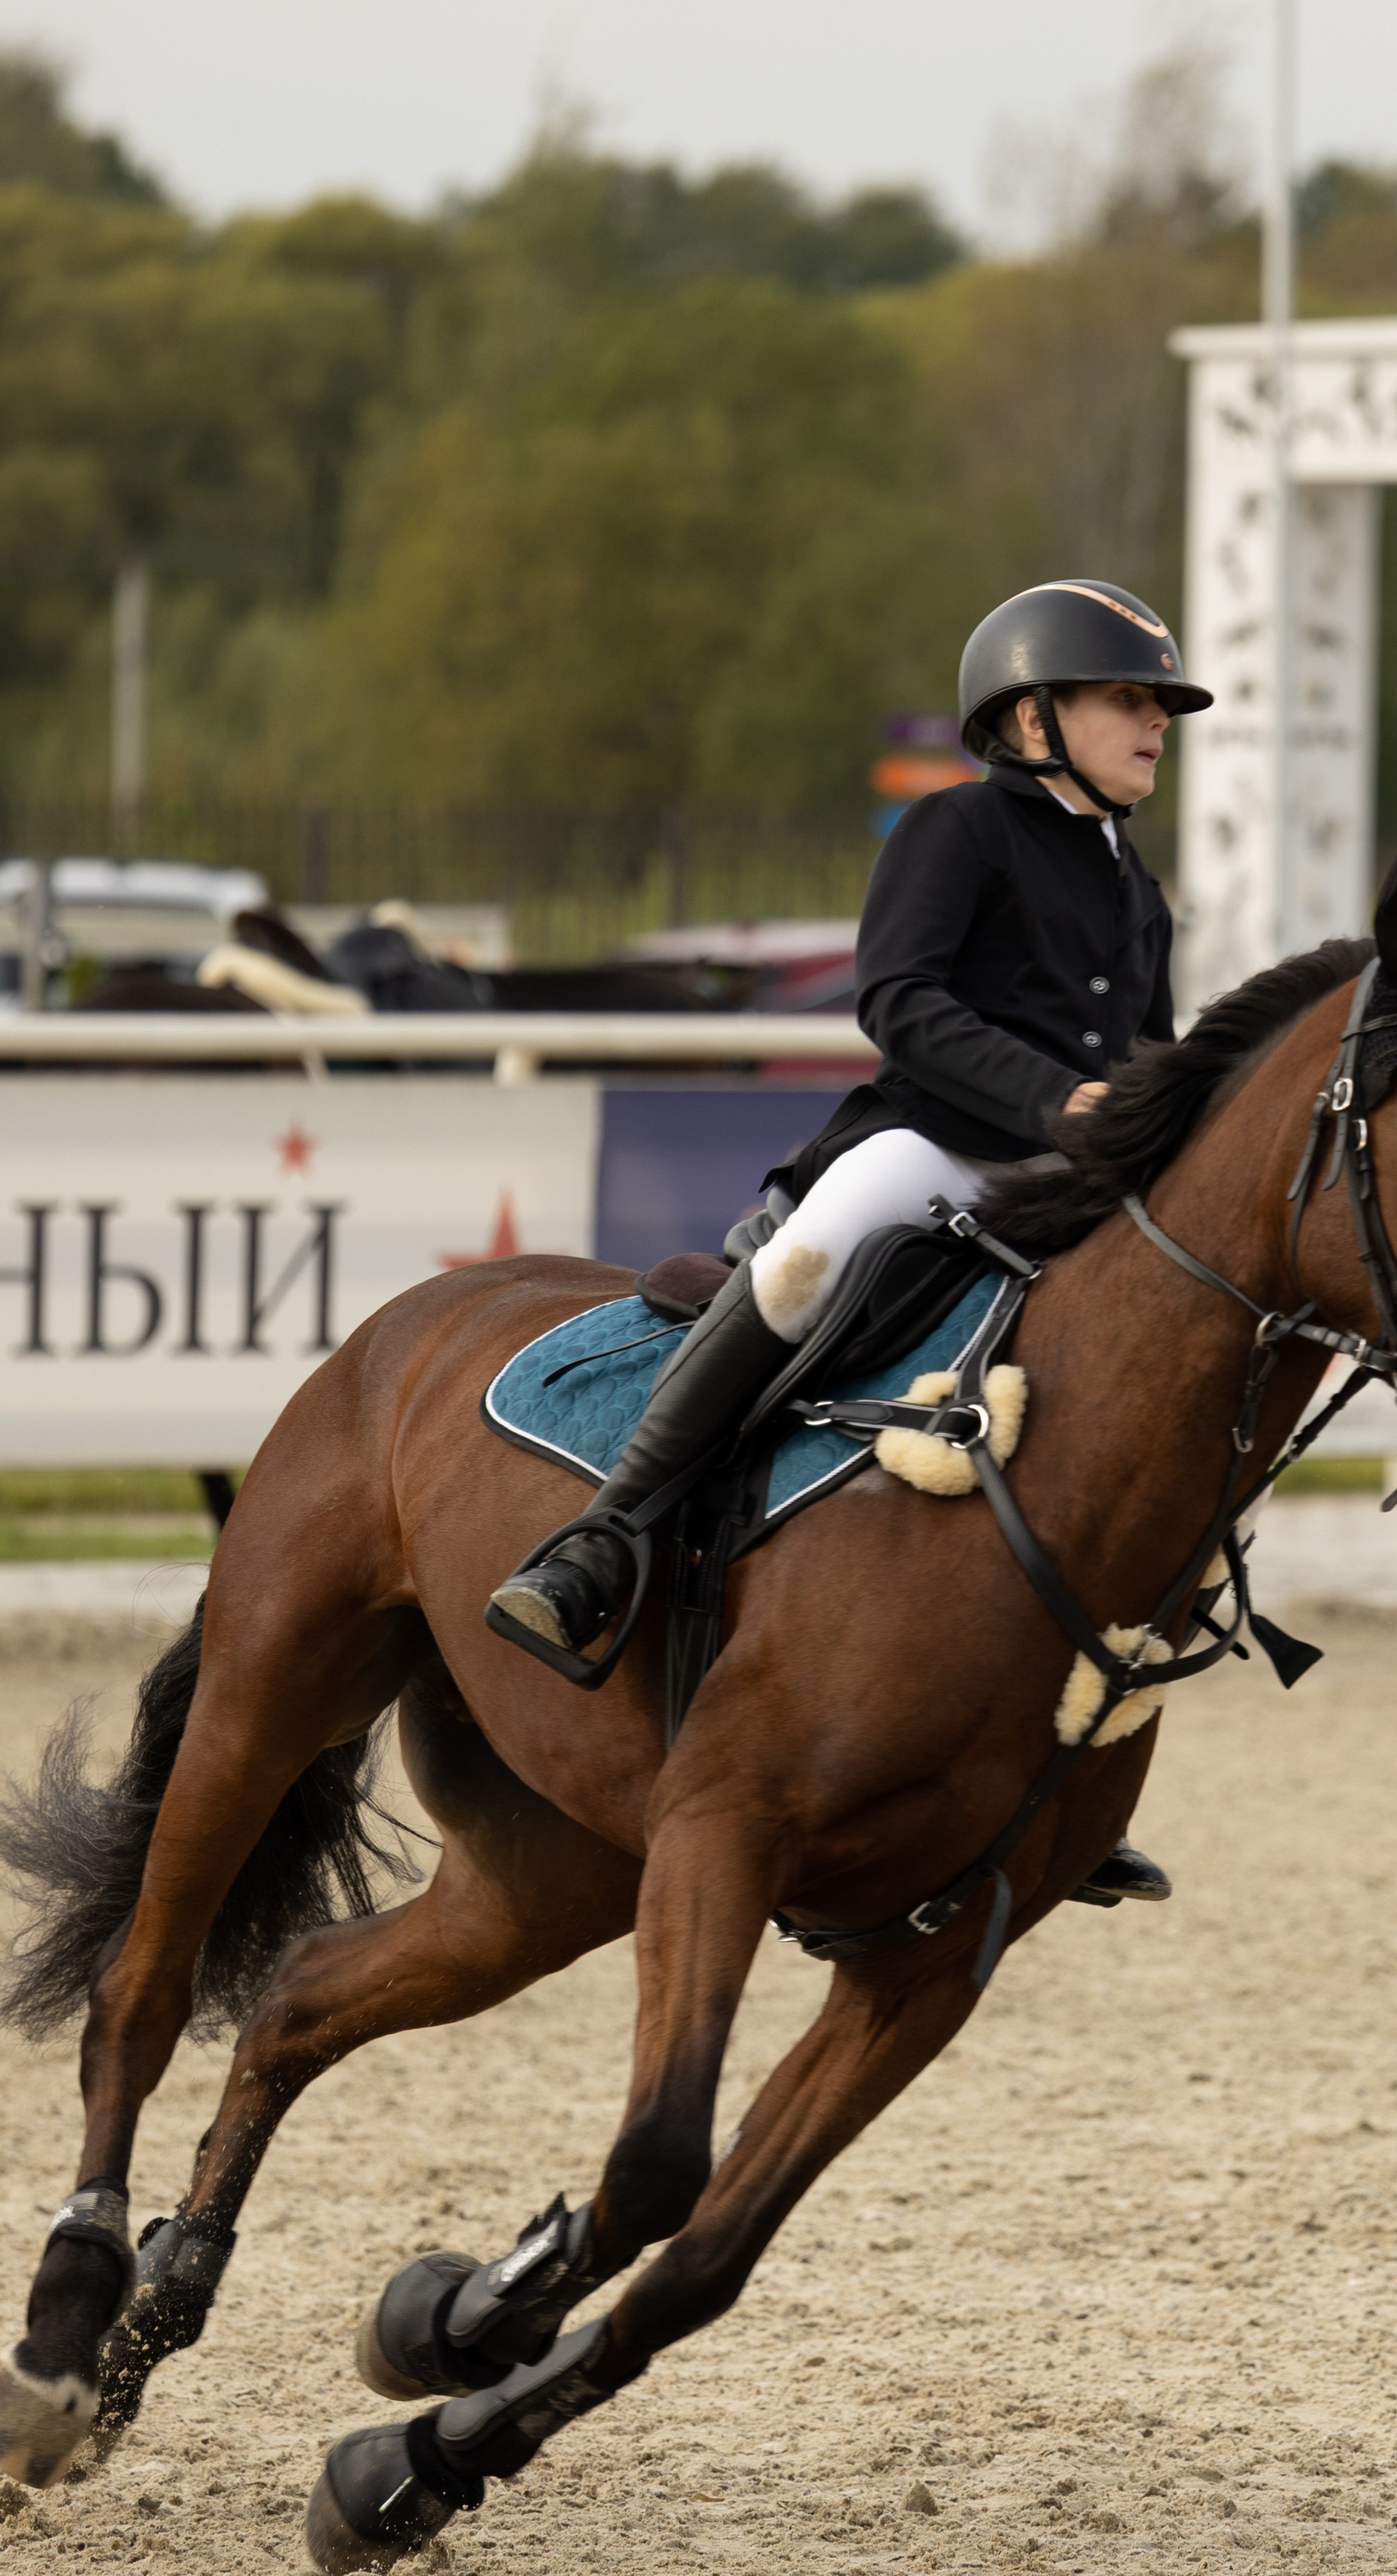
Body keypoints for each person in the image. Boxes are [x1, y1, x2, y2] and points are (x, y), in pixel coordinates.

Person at [486, 580, 1211, 1898]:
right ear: (1034, 714)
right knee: (815, 1255)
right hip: (935, 1146)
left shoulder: (1132, 879)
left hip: (1070, 1176)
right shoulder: (957, 827)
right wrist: (1054, 1102)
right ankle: (602, 1536)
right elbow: (900, 1000)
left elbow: (1145, 1050)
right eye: (1129, 699)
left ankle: (1061, 1752)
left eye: (1161, 703)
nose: (1156, 722)